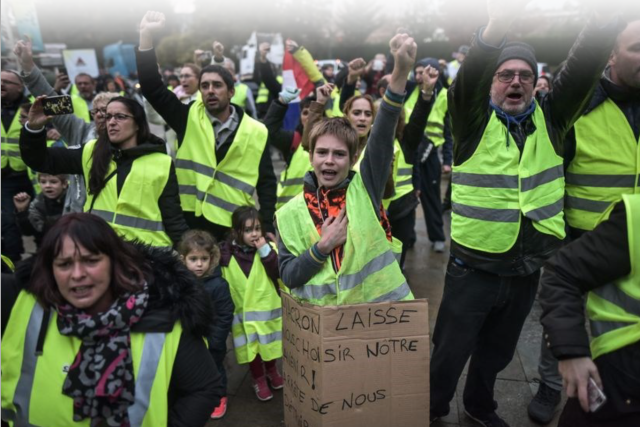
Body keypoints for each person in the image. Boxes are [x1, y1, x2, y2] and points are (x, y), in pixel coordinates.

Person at [428, 0, 623, 425]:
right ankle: (432, 408)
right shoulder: (471, 122)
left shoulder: (553, 120)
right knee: (449, 352)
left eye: (525, 75)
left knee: (497, 353)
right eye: (505, 74)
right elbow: (466, 84)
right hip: (472, 269)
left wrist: (604, 19)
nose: (515, 81)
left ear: (536, 84)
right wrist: (495, 27)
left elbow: (582, 69)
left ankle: (480, 406)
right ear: (491, 83)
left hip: (526, 270)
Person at [0, 213, 223, 426]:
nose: (77, 274)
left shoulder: (164, 316)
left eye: (90, 261)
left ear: (115, 262)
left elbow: (204, 388)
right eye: (64, 264)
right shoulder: (23, 301)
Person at [528, 19, 640, 425]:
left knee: (620, 325)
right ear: (610, 54)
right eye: (636, 48)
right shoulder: (580, 108)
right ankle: (550, 385)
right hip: (578, 241)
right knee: (563, 317)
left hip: (633, 247)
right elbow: (549, 177)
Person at [276, 33, 416, 305]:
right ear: (311, 156)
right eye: (322, 152)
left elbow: (382, 135)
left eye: (339, 154)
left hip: (371, 321)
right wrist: (321, 248)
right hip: (322, 327)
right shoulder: (288, 215)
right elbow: (288, 275)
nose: (329, 160)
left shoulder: (365, 192)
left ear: (353, 159)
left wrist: (400, 73)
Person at [137, 11, 277, 242]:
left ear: (231, 92)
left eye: (217, 85)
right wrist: (145, 36)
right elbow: (152, 87)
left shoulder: (257, 131)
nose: (210, 90)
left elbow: (267, 182)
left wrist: (267, 222)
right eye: (205, 86)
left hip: (232, 226)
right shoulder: (187, 116)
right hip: (189, 222)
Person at [20, 96, 188, 247]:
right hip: (101, 249)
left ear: (138, 123)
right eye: (108, 117)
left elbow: (172, 218)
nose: (111, 122)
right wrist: (34, 128)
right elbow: (40, 160)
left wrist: (187, 253)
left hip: (147, 257)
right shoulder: (91, 152)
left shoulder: (162, 162)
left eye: (120, 117)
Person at [538, 194, 639, 427]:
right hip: (620, 382)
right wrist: (571, 352)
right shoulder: (634, 216)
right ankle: (549, 384)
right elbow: (561, 274)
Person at [14, 39, 121, 214]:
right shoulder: (80, 130)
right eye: (96, 111)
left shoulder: (131, 141)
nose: (101, 115)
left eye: (107, 110)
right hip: (77, 215)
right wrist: (28, 66)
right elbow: (50, 97)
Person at [219, 207, 283, 402]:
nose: (254, 234)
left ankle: (271, 369)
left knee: (268, 342)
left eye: (257, 228)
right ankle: (258, 378)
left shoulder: (268, 248)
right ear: (235, 232)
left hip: (266, 310)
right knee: (251, 347)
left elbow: (277, 271)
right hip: (242, 312)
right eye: (247, 230)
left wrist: (265, 251)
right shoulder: (226, 254)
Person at [178, 230, 234, 420]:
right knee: (190, 371)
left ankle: (219, 397)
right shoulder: (181, 283)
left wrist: (215, 341)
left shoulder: (218, 285)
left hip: (212, 341)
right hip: (189, 341)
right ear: (183, 259)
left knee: (215, 369)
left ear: (212, 259)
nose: (199, 264)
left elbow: (225, 314)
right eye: (193, 259)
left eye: (204, 259)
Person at [1, 69, 34, 263]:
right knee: (8, 221)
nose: (1, 84)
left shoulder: (33, 106)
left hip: (33, 175)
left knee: (38, 217)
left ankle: (45, 254)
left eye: (7, 82)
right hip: (5, 177)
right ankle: (14, 261)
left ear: (20, 87)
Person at [14, 173, 68, 247]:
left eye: (53, 182)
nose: (47, 185)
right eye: (43, 182)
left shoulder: (74, 201)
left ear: (64, 184)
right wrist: (22, 211)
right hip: (48, 247)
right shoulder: (37, 204)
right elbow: (28, 232)